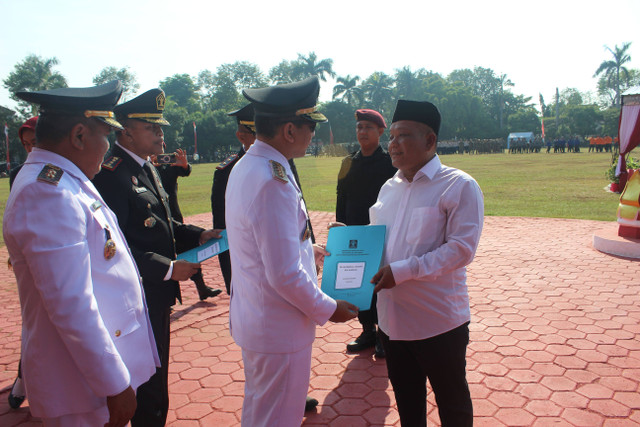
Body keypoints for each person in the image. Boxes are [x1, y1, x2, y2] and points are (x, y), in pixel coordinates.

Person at [4, 81, 159, 426]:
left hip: (89, 376)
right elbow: (70, 305)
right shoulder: (47, 193)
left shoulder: (64, 179)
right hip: (81, 385)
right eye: (105, 135)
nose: (108, 147)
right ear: (78, 136)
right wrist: (115, 384)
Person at [226, 76, 359, 426]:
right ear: (289, 130)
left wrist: (306, 248)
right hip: (279, 328)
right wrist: (329, 308)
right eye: (309, 126)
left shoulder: (249, 166)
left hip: (261, 320)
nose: (312, 135)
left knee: (260, 413)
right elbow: (283, 274)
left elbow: (263, 244)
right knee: (277, 419)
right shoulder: (274, 180)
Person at [92, 88, 221, 426]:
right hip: (135, 297)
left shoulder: (145, 167)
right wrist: (166, 268)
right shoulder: (111, 175)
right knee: (146, 385)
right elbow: (110, 246)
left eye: (160, 127)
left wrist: (198, 234)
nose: (161, 134)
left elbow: (163, 222)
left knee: (157, 377)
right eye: (152, 128)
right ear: (126, 132)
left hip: (156, 294)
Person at [370, 100, 484, 426]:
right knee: (408, 406)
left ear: (430, 141)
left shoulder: (459, 185)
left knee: (453, 406)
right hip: (392, 323)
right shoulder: (388, 188)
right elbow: (382, 242)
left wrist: (404, 271)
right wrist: (350, 246)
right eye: (390, 136)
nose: (392, 144)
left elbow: (461, 250)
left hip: (439, 323)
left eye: (402, 136)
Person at [336, 108, 396, 358]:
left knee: (381, 284)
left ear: (381, 132)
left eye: (368, 128)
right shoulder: (348, 162)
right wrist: (340, 228)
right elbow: (342, 198)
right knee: (359, 285)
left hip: (382, 232)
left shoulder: (389, 162)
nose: (362, 132)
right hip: (355, 233)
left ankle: (385, 333)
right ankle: (367, 329)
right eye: (359, 127)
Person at [156, 147, 221, 300]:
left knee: (191, 252)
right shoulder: (146, 167)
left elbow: (185, 172)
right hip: (156, 220)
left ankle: (202, 287)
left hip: (175, 218)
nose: (161, 142)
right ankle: (166, 295)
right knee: (163, 256)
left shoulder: (169, 165)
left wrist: (184, 165)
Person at [7, 116, 38, 410]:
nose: (30, 150)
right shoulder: (19, 173)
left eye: (34, 143)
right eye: (26, 145)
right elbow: (14, 213)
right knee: (35, 320)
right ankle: (23, 378)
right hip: (31, 259)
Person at [211, 104, 256, 295]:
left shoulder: (281, 163)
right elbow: (223, 229)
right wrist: (231, 275)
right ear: (241, 135)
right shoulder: (226, 171)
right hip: (244, 264)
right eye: (258, 133)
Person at [9, 116, 38, 188]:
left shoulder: (59, 169)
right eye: (26, 144)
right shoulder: (17, 173)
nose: (31, 148)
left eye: (34, 143)